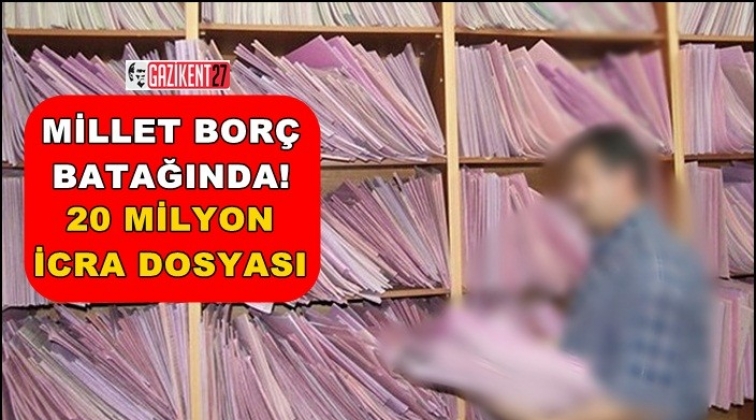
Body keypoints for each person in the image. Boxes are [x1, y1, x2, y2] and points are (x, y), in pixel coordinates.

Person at [539, 126, 710, 420]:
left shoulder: (654, 266)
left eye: (585, 182)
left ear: (623, 181)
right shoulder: (610, 251)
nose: (576, 196)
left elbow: (637, 401)